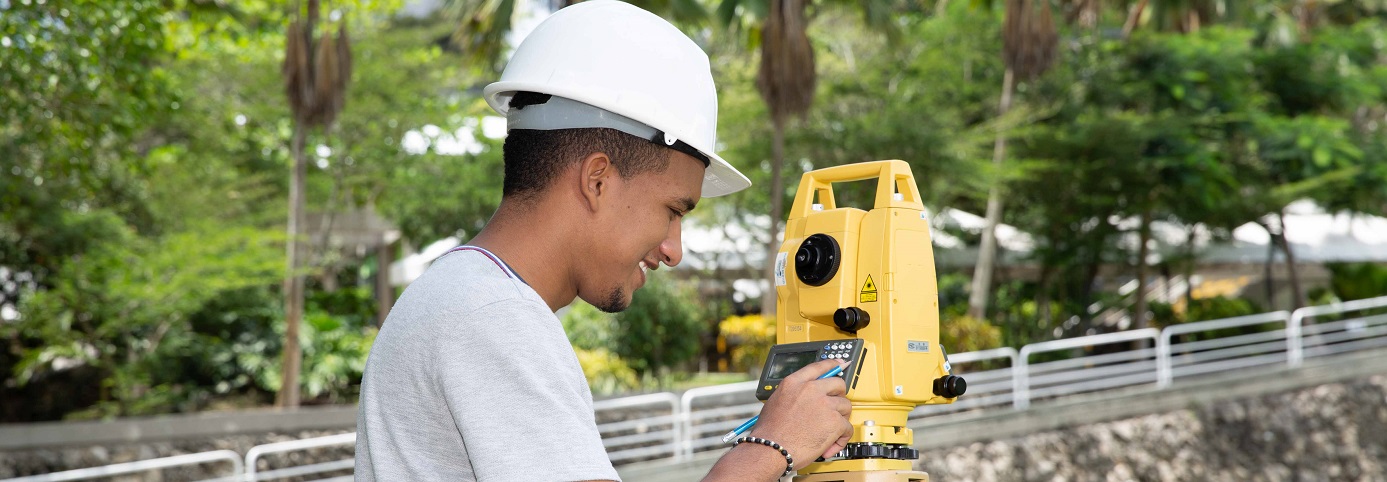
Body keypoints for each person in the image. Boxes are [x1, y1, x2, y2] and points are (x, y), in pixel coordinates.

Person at [353, 1, 853, 481]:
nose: (673, 251)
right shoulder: (494, 317)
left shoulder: (458, 294)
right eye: (673, 210)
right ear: (597, 181)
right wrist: (771, 447)